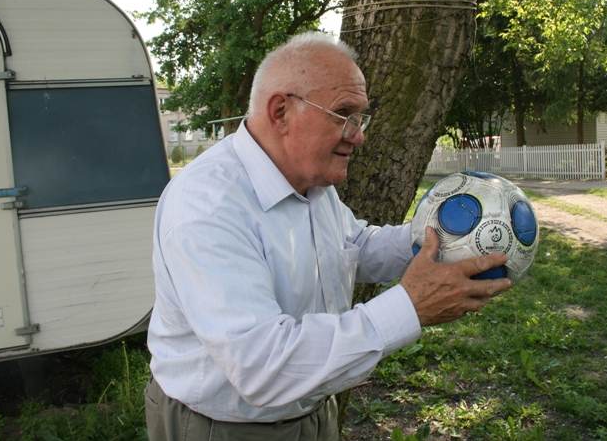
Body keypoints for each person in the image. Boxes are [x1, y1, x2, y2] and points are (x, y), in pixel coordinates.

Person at [145, 32, 511, 440]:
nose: (359, 134)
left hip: (312, 412)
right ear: (281, 111)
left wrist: (437, 238)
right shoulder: (208, 206)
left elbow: (352, 245)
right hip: (225, 427)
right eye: (344, 114)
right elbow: (263, 368)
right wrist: (411, 306)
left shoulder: (311, 182)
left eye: (361, 117)